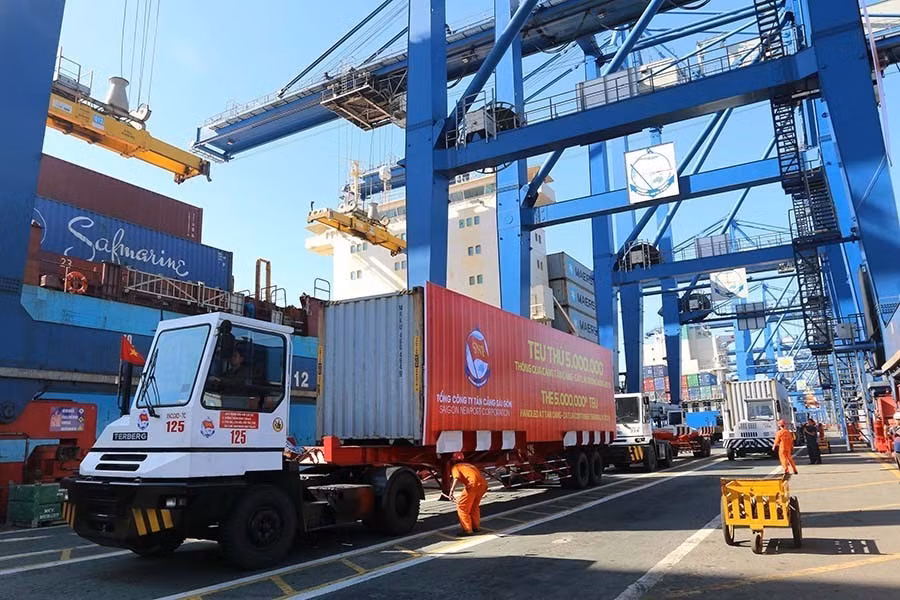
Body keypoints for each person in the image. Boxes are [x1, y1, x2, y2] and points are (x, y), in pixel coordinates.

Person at [445, 454, 488, 536]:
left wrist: (451, 491)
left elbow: (456, 478)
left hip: (472, 485)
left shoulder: (456, 467)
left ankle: (467, 529)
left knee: (462, 507)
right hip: (483, 485)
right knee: (474, 506)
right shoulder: (470, 465)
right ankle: (476, 527)